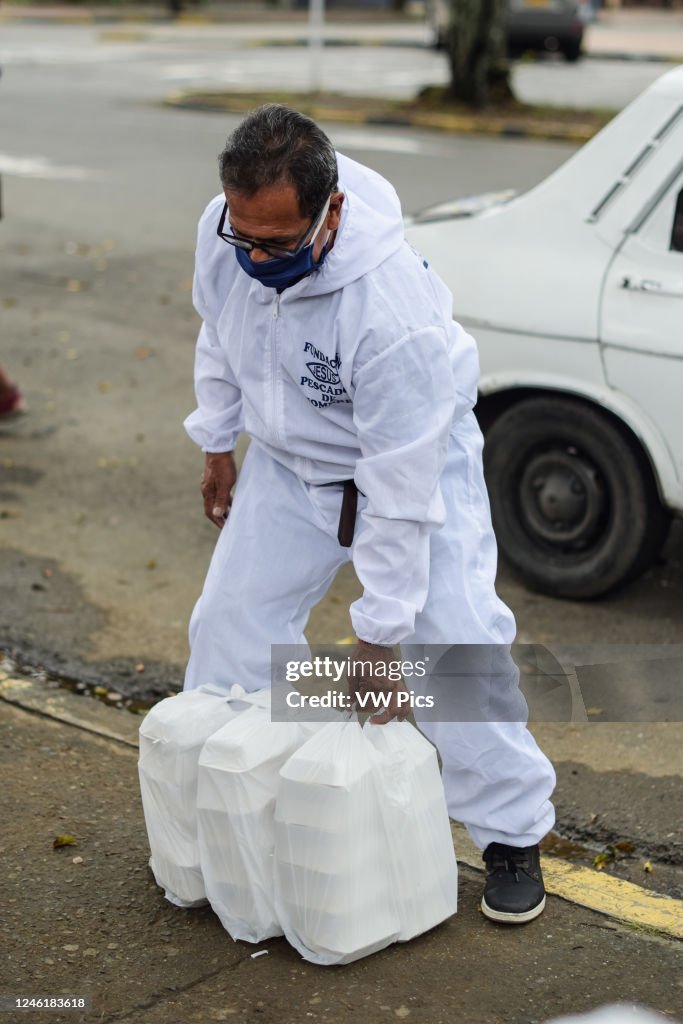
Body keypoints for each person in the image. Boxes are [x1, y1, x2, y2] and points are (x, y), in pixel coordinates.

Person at [183, 104, 556, 925]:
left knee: (454, 657)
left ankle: (509, 830)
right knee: (226, 627)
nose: (254, 259)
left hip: (406, 469)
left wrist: (378, 637)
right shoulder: (229, 231)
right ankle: (224, 796)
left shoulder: (392, 316)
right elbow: (220, 332)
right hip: (289, 464)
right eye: (242, 237)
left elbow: (398, 493)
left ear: (333, 211)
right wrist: (217, 442)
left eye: (276, 244)